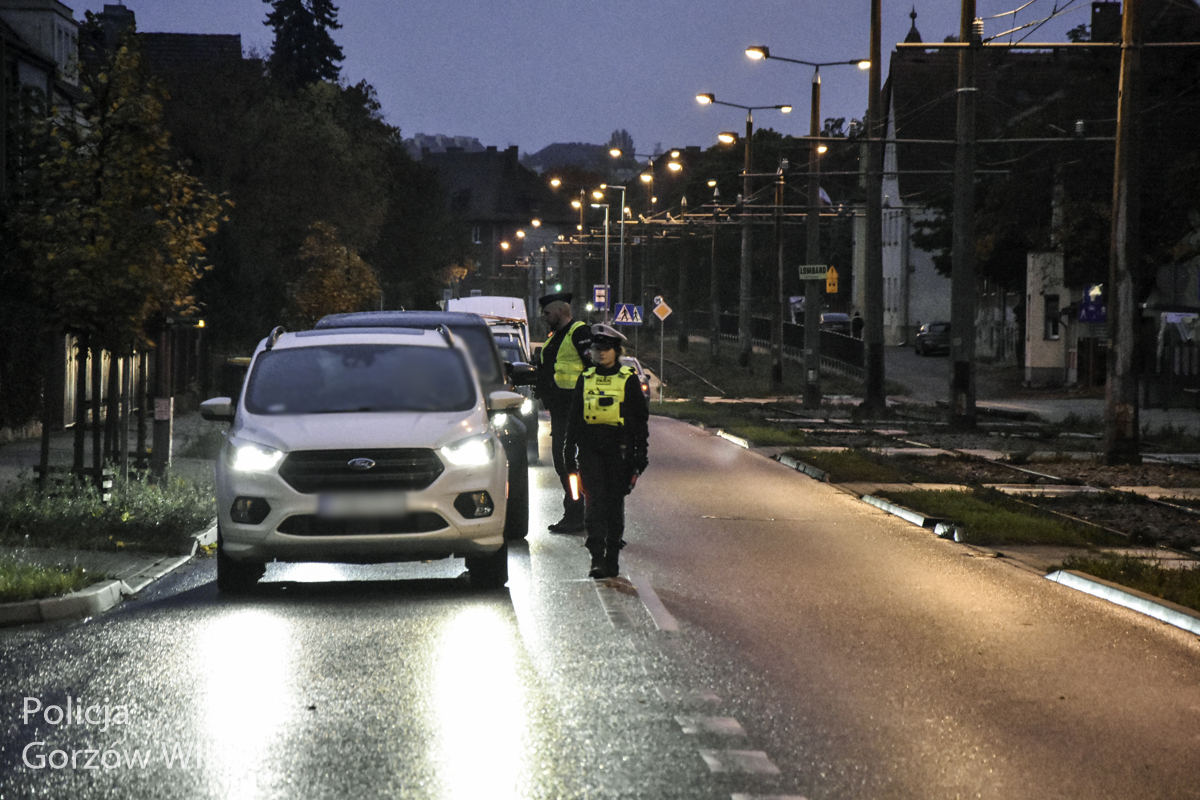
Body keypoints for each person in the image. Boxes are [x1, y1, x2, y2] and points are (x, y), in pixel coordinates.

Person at [563, 324, 649, 579]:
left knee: (613, 504)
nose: (601, 353)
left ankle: (612, 557)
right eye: (597, 348)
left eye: (606, 349)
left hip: (619, 451)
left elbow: (640, 421)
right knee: (594, 504)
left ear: (616, 351)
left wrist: (640, 454)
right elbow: (575, 416)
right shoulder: (586, 378)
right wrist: (569, 449)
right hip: (590, 450)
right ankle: (597, 558)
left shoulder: (628, 380)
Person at [535, 292, 592, 533]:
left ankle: (576, 514)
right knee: (563, 463)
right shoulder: (555, 337)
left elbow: (593, 367)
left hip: (574, 411)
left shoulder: (579, 333)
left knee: (568, 463)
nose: (544, 316)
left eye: (547, 312)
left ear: (559, 311)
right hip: (560, 411)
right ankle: (577, 512)